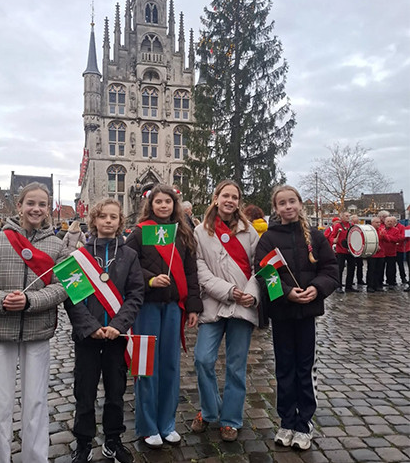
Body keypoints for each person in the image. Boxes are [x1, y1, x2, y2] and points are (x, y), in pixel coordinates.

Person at [0, 182, 70, 462]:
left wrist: (31, 301)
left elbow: (66, 286)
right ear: (19, 205)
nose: (36, 209)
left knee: (35, 402)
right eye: (31, 203)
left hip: (38, 331)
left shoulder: (58, 246)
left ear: (48, 209)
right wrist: (1, 300)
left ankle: (35, 458)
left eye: (42, 204)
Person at [256, 185, 337, 451]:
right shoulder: (268, 238)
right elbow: (265, 274)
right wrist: (287, 293)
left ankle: (304, 423)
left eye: (292, 201)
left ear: (300, 204)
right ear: (276, 208)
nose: (288, 207)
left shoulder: (316, 236)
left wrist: (317, 288)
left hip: (307, 314)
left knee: (305, 368)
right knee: (284, 369)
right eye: (282, 203)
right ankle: (287, 421)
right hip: (283, 313)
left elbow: (330, 269)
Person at [65, 198, 143, 463]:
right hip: (88, 336)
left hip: (116, 336)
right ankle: (84, 442)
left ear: (120, 221)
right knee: (84, 392)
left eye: (113, 217)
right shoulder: (78, 256)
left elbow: (135, 295)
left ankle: (113, 439)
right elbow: (72, 297)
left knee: (115, 392)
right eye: (103, 217)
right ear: (94, 220)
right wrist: (91, 327)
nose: (108, 221)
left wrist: (117, 326)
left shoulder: (129, 256)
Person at [125, 183, 201, 448]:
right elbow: (128, 266)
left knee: (170, 365)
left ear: (174, 205)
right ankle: (148, 426)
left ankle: (167, 423)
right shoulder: (138, 233)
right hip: (146, 308)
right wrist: (149, 280)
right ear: (151, 204)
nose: (163, 206)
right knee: (146, 367)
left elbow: (191, 273)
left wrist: (193, 306)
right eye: (158, 202)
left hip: (172, 309)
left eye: (168, 202)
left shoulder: (183, 234)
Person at [191, 180, 261, 442]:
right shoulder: (200, 232)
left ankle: (231, 419)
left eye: (235, 197)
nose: (230, 200)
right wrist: (228, 291)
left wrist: (251, 295)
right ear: (216, 198)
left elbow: (259, 267)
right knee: (202, 359)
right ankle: (209, 411)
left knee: (236, 366)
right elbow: (199, 268)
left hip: (243, 306)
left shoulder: (249, 232)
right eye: (226, 196)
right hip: (214, 303)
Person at [327, 213, 356, 292]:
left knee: (351, 268)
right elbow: (332, 236)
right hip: (341, 250)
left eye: (349, 216)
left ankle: (349, 286)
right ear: (342, 217)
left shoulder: (352, 225)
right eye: (346, 216)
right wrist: (334, 240)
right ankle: (338, 286)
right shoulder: (338, 226)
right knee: (340, 269)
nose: (348, 217)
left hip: (350, 250)